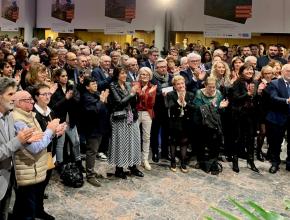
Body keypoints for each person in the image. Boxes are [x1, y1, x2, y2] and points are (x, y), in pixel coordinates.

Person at [12, 90, 61, 220]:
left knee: (24, 206)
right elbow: (35, 147)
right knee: (27, 210)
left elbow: (41, 138)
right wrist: (50, 129)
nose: (32, 101)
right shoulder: (18, 120)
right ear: (18, 103)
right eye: (28, 99)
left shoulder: (29, 115)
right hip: (27, 168)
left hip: (36, 165)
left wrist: (53, 132)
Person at [0, 78, 37, 220]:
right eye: (10, 94)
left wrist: (26, 141)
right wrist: (18, 141)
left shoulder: (9, 116)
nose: (13, 98)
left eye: (14, 94)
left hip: (9, 178)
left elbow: (13, 144)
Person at [108, 66, 143, 179]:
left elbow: (134, 102)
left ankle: (133, 166)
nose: (125, 75)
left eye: (125, 73)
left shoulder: (128, 84)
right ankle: (119, 169)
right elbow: (119, 103)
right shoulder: (113, 85)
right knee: (121, 143)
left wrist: (136, 95)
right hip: (119, 118)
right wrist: (132, 94)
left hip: (131, 115)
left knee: (134, 141)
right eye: (122, 73)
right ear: (117, 75)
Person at [193, 77, 228, 175]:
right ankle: (201, 161)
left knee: (214, 144)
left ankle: (213, 162)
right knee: (201, 143)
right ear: (205, 85)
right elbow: (198, 108)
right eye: (210, 87)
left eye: (214, 87)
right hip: (202, 122)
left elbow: (220, 110)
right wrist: (213, 106)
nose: (212, 89)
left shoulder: (219, 94)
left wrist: (221, 107)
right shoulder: (199, 93)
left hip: (214, 122)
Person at [230, 63, 259, 173]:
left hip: (251, 115)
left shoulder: (255, 82)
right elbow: (235, 98)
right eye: (247, 70)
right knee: (237, 138)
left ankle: (251, 161)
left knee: (251, 138)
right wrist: (247, 94)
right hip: (239, 114)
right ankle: (235, 160)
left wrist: (257, 93)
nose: (250, 71)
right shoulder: (238, 82)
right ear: (242, 71)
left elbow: (255, 98)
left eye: (251, 70)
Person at [81, 77, 109, 186]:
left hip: (100, 127)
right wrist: (102, 100)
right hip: (92, 129)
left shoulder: (96, 94)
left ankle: (91, 171)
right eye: (93, 83)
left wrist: (104, 100)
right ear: (87, 86)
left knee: (95, 151)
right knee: (92, 151)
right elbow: (95, 110)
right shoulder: (86, 97)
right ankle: (90, 175)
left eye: (96, 83)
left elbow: (103, 108)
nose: (95, 85)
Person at [167, 75, 195, 173]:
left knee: (184, 142)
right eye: (178, 84)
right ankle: (173, 161)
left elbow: (193, 108)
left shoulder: (190, 94)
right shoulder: (170, 94)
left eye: (182, 83)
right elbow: (169, 106)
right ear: (174, 86)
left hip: (186, 122)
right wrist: (179, 101)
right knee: (173, 141)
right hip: (174, 122)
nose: (180, 85)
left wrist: (185, 103)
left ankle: (183, 162)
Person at [266, 64, 290, 173]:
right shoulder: (274, 83)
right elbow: (273, 97)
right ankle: (275, 163)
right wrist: (287, 101)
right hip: (277, 117)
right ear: (282, 72)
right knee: (276, 142)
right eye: (288, 71)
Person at [135, 67, 157, 170]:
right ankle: (134, 159)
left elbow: (150, 103)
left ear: (150, 76)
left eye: (147, 75)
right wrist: (146, 94)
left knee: (146, 137)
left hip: (147, 113)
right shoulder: (135, 85)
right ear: (139, 75)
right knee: (134, 136)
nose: (144, 76)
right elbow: (137, 99)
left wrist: (144, 94)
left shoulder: (153, 87)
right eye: (142, 74)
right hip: (135, 113)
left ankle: (145, 159)